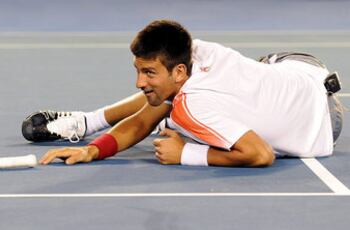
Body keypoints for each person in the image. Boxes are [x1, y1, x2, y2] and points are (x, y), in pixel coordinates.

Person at [21, 20, 344, 167]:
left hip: (323, 123)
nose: (138, 82)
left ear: (179, 70)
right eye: (137, 70)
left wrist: (188, 155)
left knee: (171, 110)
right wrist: (92, 150)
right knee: (164, 102)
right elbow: (144, 119)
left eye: (147, 71)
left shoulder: (190, 105)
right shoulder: (193, 50)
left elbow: (261, 155)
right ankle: (87, 122)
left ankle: (91, 121)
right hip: (307, 71)